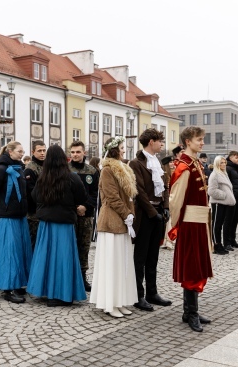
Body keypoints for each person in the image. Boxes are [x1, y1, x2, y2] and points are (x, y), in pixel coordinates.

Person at [28, 145, 87, 306]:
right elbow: (81, 197)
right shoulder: (72, 177)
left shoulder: (42, 178)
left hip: (46, 223)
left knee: (45, 257)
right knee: (63, 258)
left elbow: (34, 197)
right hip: (64, 223)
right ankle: (63, 293)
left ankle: (47, 291)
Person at [169, 126, 213, 332]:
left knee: (196, 264)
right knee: (192, 266)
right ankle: (191, 312)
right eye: (199, 139)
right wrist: (175, 225)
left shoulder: (194, 163)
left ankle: (189, 311)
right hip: (190, 222)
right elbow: (176, 200)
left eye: (202, 139)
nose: (202, 142)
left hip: (199, 221)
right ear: (188, 141)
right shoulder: (183, 166)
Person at [89, 136, 138, 318]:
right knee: (112, 264)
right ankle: (110, 303)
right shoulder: (107, 170)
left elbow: (129, 196)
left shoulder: (124, 169)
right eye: (122, 147)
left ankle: (120, 300)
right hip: (111, 221)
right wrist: (127, 214)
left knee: (122, 264)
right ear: (114, 149)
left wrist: (129, 214)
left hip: (124, 222)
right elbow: (112, 197)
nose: (124, 150)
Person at [129, 128, 172, 312]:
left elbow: (165, 187)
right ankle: (138, 294)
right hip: (145, 214)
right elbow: (139, 191)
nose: (162, 144)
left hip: (159, 212)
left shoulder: (159, 163)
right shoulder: (136, 163)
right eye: (159, 141)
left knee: (153, 255)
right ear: (151, 141)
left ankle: (152, 292)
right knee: (140, 256)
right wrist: (152, 212)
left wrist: (166, 207)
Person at [0, 142, 32, 303]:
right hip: (5, 216)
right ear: (10, 152)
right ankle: (8, 287)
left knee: (20, 252)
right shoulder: (0, 171)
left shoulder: (19, 169)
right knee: (8, 253)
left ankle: (18, 282)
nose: (22, 153)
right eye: (20, 151)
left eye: (23, 151)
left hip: (19, 216)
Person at [68, 141, 99, 292]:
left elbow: (96, 193)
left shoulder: (92, 171)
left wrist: (85, 206)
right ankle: (70, 277)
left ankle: (82, 276)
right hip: (69, 215)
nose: (75, 155)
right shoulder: (66, 170)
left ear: (84, 152)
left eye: (78, 152)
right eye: (72, 152)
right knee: (69, 245)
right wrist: (74, 207)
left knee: (84, 246)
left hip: (86, 215)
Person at [208, 155, 236, 255]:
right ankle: (216, 245)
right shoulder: (215, 174)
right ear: (217, 164)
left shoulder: (224, 173)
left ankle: (220, 244)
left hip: (224, 203)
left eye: (224, 163)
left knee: (220, 224)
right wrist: (224, 195)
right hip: (218, 202)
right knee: (216, 224)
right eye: (221, 163)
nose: (223, 164)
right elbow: (211, 190)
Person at [24, 141, 46, 248]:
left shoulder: (47, 166)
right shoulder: (30, 168)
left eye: (44, 150)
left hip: (45, 211)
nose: (42, 153)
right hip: (34, 214)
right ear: (33, 152)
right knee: (34, 243)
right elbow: (30, 192)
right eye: (39, 151)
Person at [223, 151, 238, 251]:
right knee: (228, 220)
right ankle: (226, 242)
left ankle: (233, 240)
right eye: (236, 158)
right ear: (231, 157)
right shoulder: (227, 168)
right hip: (231, 197)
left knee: (235, 220)